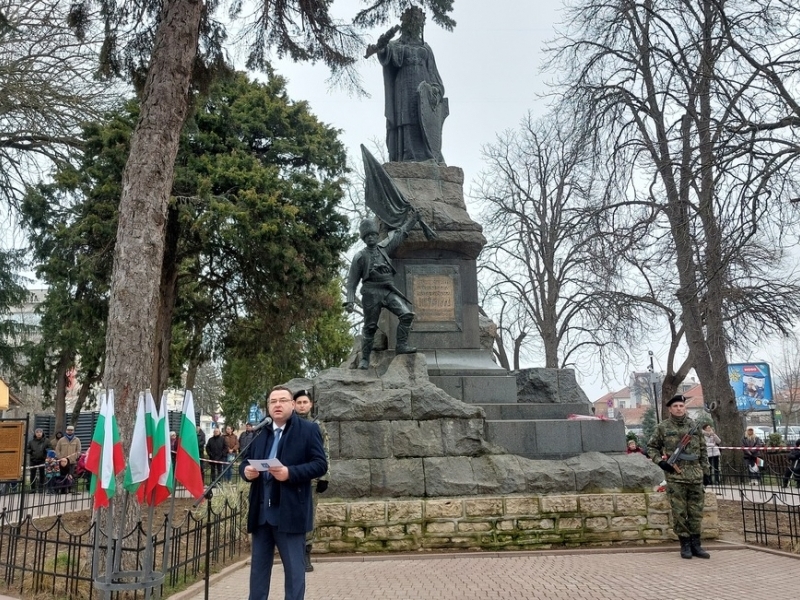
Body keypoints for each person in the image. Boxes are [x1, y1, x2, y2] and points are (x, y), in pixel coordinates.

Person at [240, 385, 327, 600]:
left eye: (282, 400)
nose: (277, 405)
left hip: (289, 512)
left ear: (292, 405)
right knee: (258, 573)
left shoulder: (308, 430)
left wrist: (290, 472)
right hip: (261, 515)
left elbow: (319, 465)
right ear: (268, 406)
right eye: (273, 401)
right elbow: (244, 461)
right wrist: (246, 472)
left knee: (295, 573)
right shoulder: (260, 432)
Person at [370, 6, 448, 163]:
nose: (415, 25)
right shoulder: (396, 45)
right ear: (404, 24)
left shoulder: (426, 48)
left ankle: (429, 155)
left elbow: (433, 74)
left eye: (418, 22)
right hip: (403, 87)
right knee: (406, 117)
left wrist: (436, 90)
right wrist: (381, 48)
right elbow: (387, 55)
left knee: (422, 118)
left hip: (424, 85)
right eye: (411, 21)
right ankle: (408, 155)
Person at [345, 212, 420, 369]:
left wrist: (413, 220)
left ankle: (401, 345)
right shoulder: (360, 257)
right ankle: (365, 359)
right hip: (371, 293)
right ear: (364, 239)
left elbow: (400, 235)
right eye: (367, 236)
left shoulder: (385, 248)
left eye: (373, 234)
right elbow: (351, 282)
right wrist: (350, 301)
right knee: (370, 327)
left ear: (376, 235)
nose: (371, 238)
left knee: (406, 315)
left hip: (387, 290)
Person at [647, 394, 710, 559]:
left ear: (685, 408)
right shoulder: (663, 427)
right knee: (680, 513)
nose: (679, 408)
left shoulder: (694, 427)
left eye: (681, 406)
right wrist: (661, 463)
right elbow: (652, 448)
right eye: (675, 406)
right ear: (670, 409)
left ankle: (697, 545)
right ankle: (685, 545)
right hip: (676, 476)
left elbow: (703, 450)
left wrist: (707, 472)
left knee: (696, 512)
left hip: (695, 475)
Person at [292, 389, 330, 572]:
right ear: (293, 404)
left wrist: (324, 476)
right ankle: (293, 554)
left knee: (308, 516)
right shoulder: (288, 424)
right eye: (298, 402)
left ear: (311, 404)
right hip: (290, 477)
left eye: (305, 402)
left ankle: (306, 553)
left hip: (311, 479)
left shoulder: (317, 426)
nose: (301, 405)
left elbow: (325, 451)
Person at [55, 425, 82, 494]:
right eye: (68, 430)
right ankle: (63, 489)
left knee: (71, 475)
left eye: (71, 430)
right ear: (66, 431)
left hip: (72, 461)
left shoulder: (77, 440)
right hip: (63, 462)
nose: (70, 431)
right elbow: (57, 449)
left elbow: (78, 450)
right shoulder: (61, 440)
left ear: (73, 431)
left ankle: (71, 488)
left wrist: (75, 457)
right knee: (62, 475)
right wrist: (60, 457)